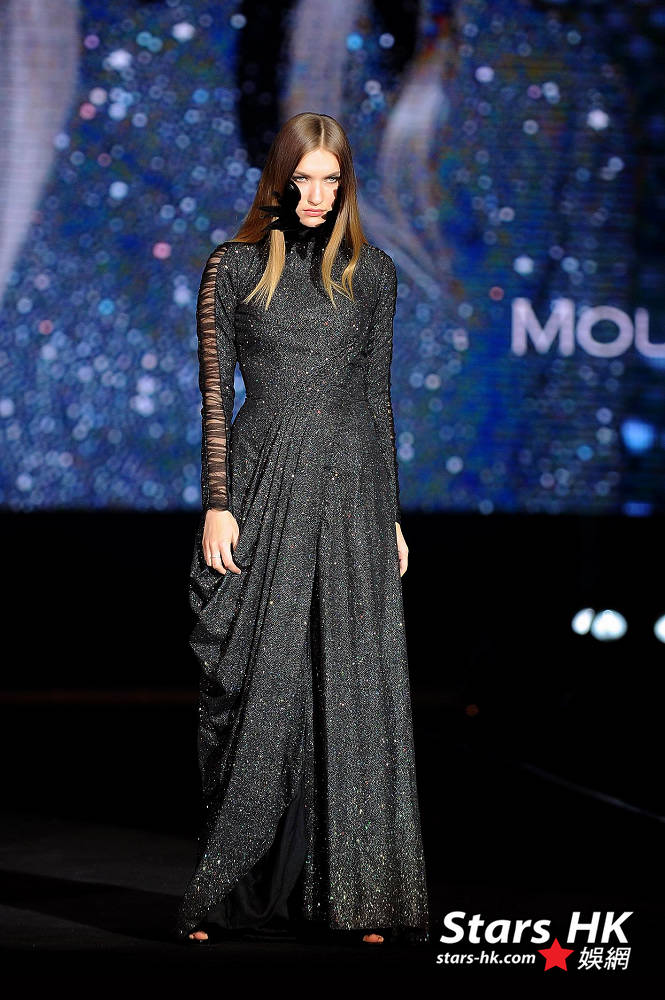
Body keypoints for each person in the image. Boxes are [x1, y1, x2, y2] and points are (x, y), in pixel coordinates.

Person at [174, 112, 430, 947]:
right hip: (263, 479)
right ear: (279, 179)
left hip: (354, 489)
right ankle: (225, 891)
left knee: (355, 684)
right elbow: (215, 392)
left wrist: (391, 513)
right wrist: (217, 499)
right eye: (302, 177)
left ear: (345, 183)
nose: (315, 194)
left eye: (330, 179)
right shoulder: (234, 265)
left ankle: (364, 895)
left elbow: (377, 399)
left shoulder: (371, 272)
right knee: (256, 679)